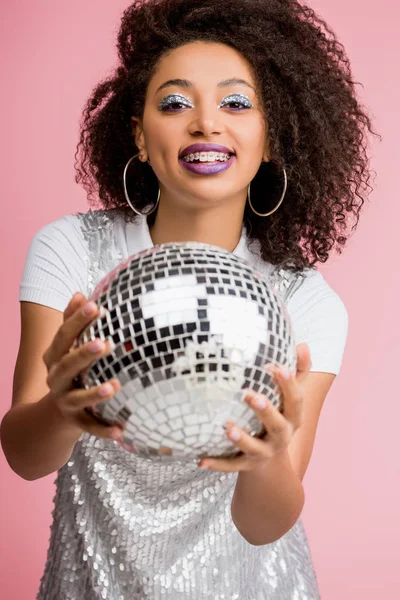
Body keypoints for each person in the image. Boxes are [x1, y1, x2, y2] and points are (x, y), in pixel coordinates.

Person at [1, 0, 378, 598]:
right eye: (175, 103)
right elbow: (23, 455)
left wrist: (267, 457)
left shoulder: (305, 300)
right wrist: (62, 410)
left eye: (236, 103)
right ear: (140, 137)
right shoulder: (71, 251)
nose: (206, 123)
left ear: (272, 138)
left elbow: (264, 526)